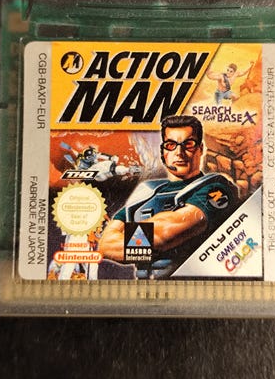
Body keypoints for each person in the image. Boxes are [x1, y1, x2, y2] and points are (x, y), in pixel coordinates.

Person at [98, 115, 239, 278]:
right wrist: (152, 244)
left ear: (200, 149)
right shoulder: (145, 193)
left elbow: (162, 235)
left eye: (188, 144)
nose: (179, 153)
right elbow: (106, 246)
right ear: (163, 152)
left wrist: (133, 243)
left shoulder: (215, 188)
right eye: (171, 145)